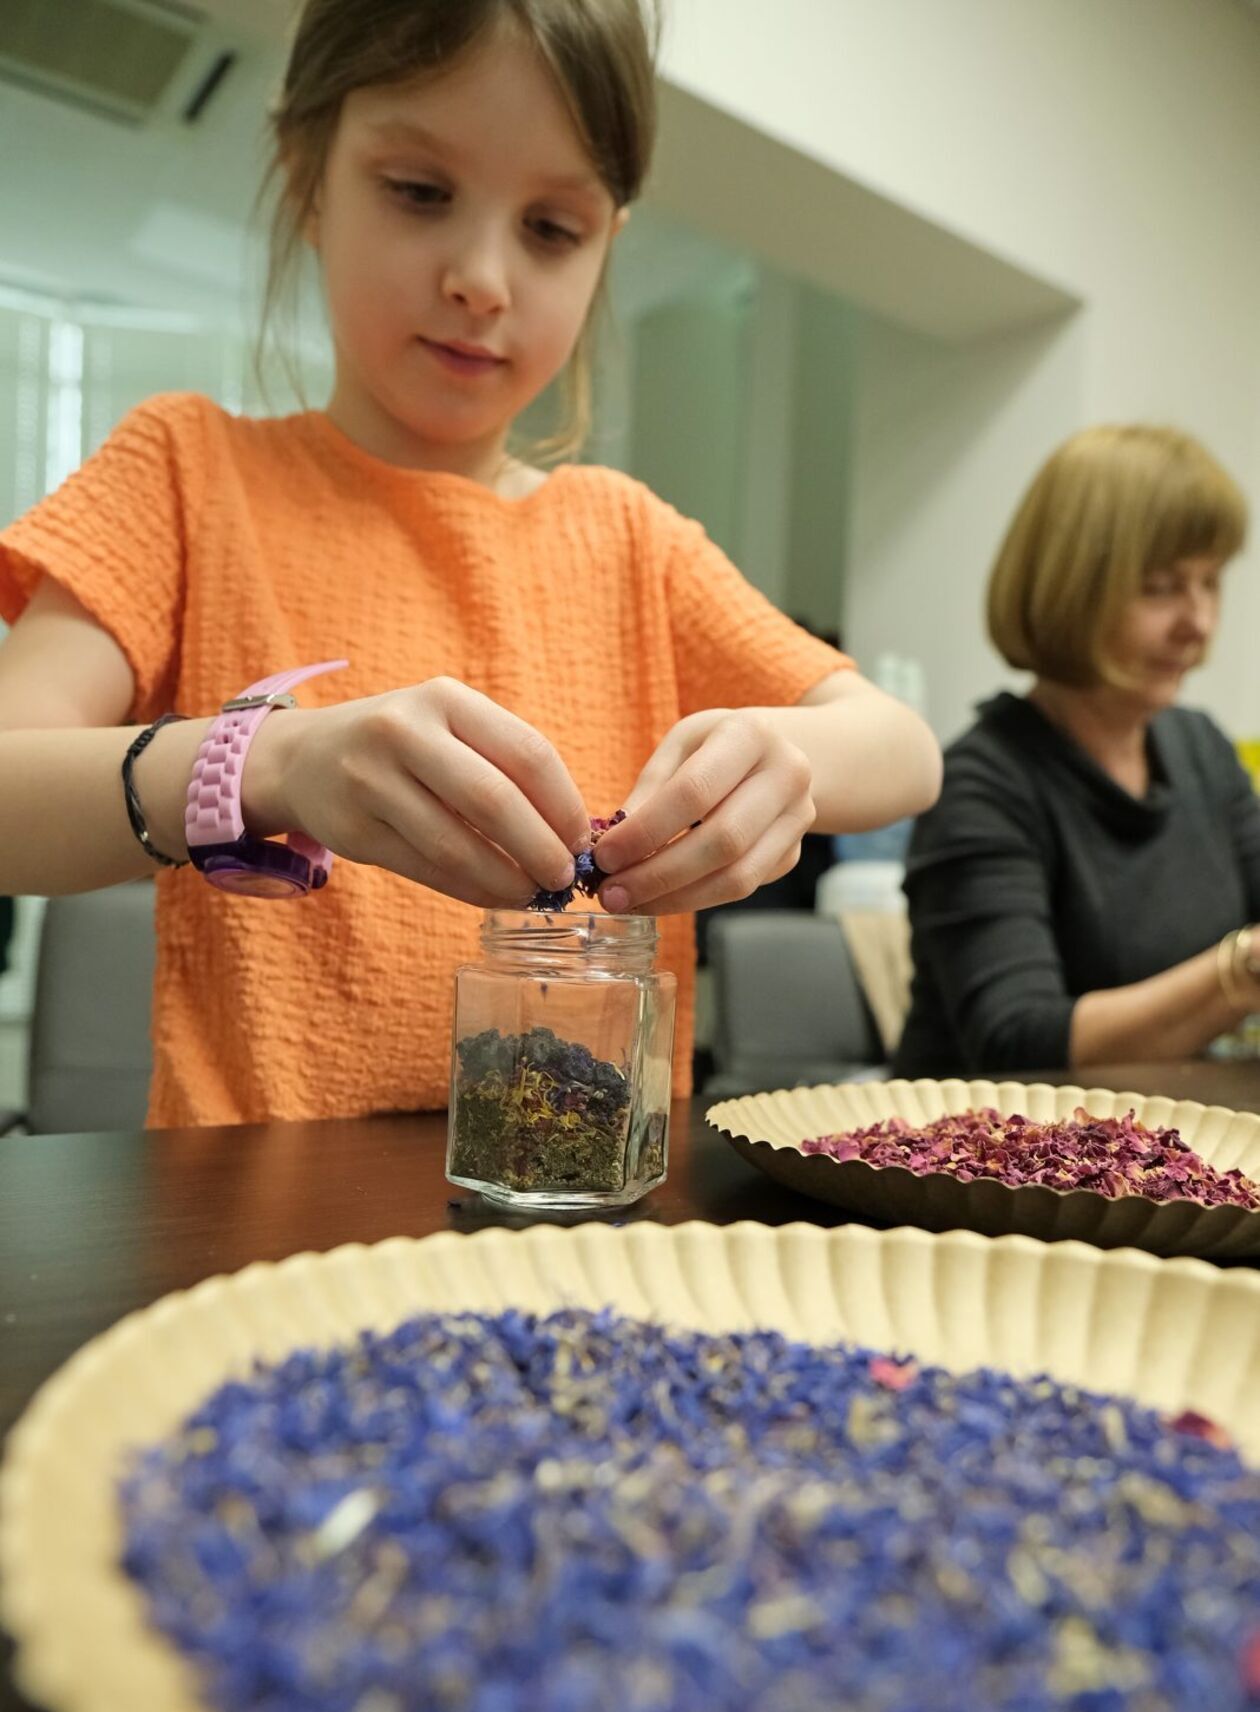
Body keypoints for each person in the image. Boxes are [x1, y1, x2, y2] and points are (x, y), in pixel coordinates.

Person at [0, 0, 940, 1129]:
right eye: (420, 192)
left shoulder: (628, 536)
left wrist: (776, 761)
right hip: (256, 1236)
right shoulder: (185, 472)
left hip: (580, 1227)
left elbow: (901, 750)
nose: (483, 279)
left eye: (552, 229)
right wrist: (274, 762)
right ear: (307, 173)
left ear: (606, 248)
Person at [895, 423, 1260, 1080]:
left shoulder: (1202, 749)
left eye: (1210, 583)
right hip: (985, 1161)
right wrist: (1238, 973)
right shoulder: (980, 784)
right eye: (1160, 586)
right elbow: (1018, 1041)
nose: (1198, 623)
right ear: (1071, 587)